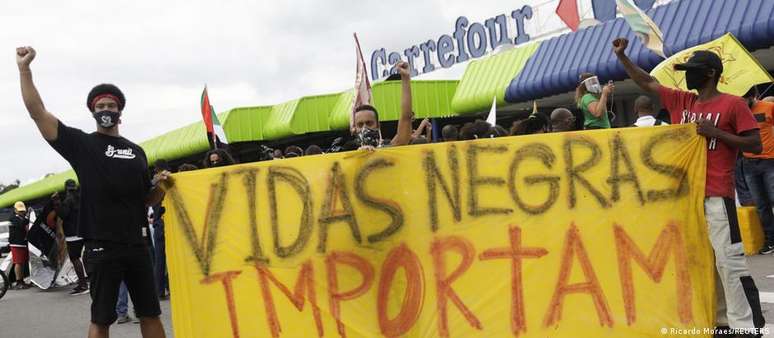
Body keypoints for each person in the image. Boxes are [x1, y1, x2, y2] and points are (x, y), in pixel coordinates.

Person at [614, 37, 765, 335]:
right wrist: (623, 57)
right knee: (703, 262)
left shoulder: (733, 104)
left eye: (691, 70)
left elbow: (755, 144)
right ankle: (722, 321)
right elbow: (647, 82)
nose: (686, 74)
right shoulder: (684, 100)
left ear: (709, 73)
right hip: (688, 198)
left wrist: (716, 133)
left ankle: (747, 325)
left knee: (729, 261)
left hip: (717, 195)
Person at [17, 46, 169, 338]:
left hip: (137, 246)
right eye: (100, 107)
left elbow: (146, 198)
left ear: (120, 112)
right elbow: (37, 113)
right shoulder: (81, 145)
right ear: (92, 112)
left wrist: (161, 187)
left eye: (111, 106)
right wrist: (25, 70)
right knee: (101, 319)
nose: (106, 111)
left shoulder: (137, 152)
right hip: (102, 246)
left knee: (150, 313)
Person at [740, 86, 774, 254]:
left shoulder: (768, 107)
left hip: (770, 161)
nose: (742, 103)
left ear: (752, 96)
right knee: (761, 205)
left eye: (744, 99)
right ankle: (771, 240)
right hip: (749, 163)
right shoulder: (737, 113)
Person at [350, 61, 414, 149]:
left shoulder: (389, 149)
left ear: (378, 125)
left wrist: (405, 78)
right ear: (354, 129)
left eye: (369, 123)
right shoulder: (344, 154)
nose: (365, 128)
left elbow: (406, 118)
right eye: (360, 125)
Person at [58, 179, 89, 295]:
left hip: (72, 234)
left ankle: (83, 284)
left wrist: (57, 203)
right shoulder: (81, 198)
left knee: (75, 258)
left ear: (66, 188)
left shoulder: (68, 200)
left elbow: (63, 215)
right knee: (85, 256)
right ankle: (88, 281)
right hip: (83, 231)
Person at [9, 201, 32, 290]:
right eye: (20, 211)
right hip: (16, 244)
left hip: (23, 243)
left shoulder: (21, 217)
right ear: (15, 210)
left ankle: (21, 281)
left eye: (23, 211)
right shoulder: (13, 218)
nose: (22, 212)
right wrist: (27, 216)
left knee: (22, 263)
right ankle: (18, 282)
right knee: (18, 262)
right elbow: (21, 225)